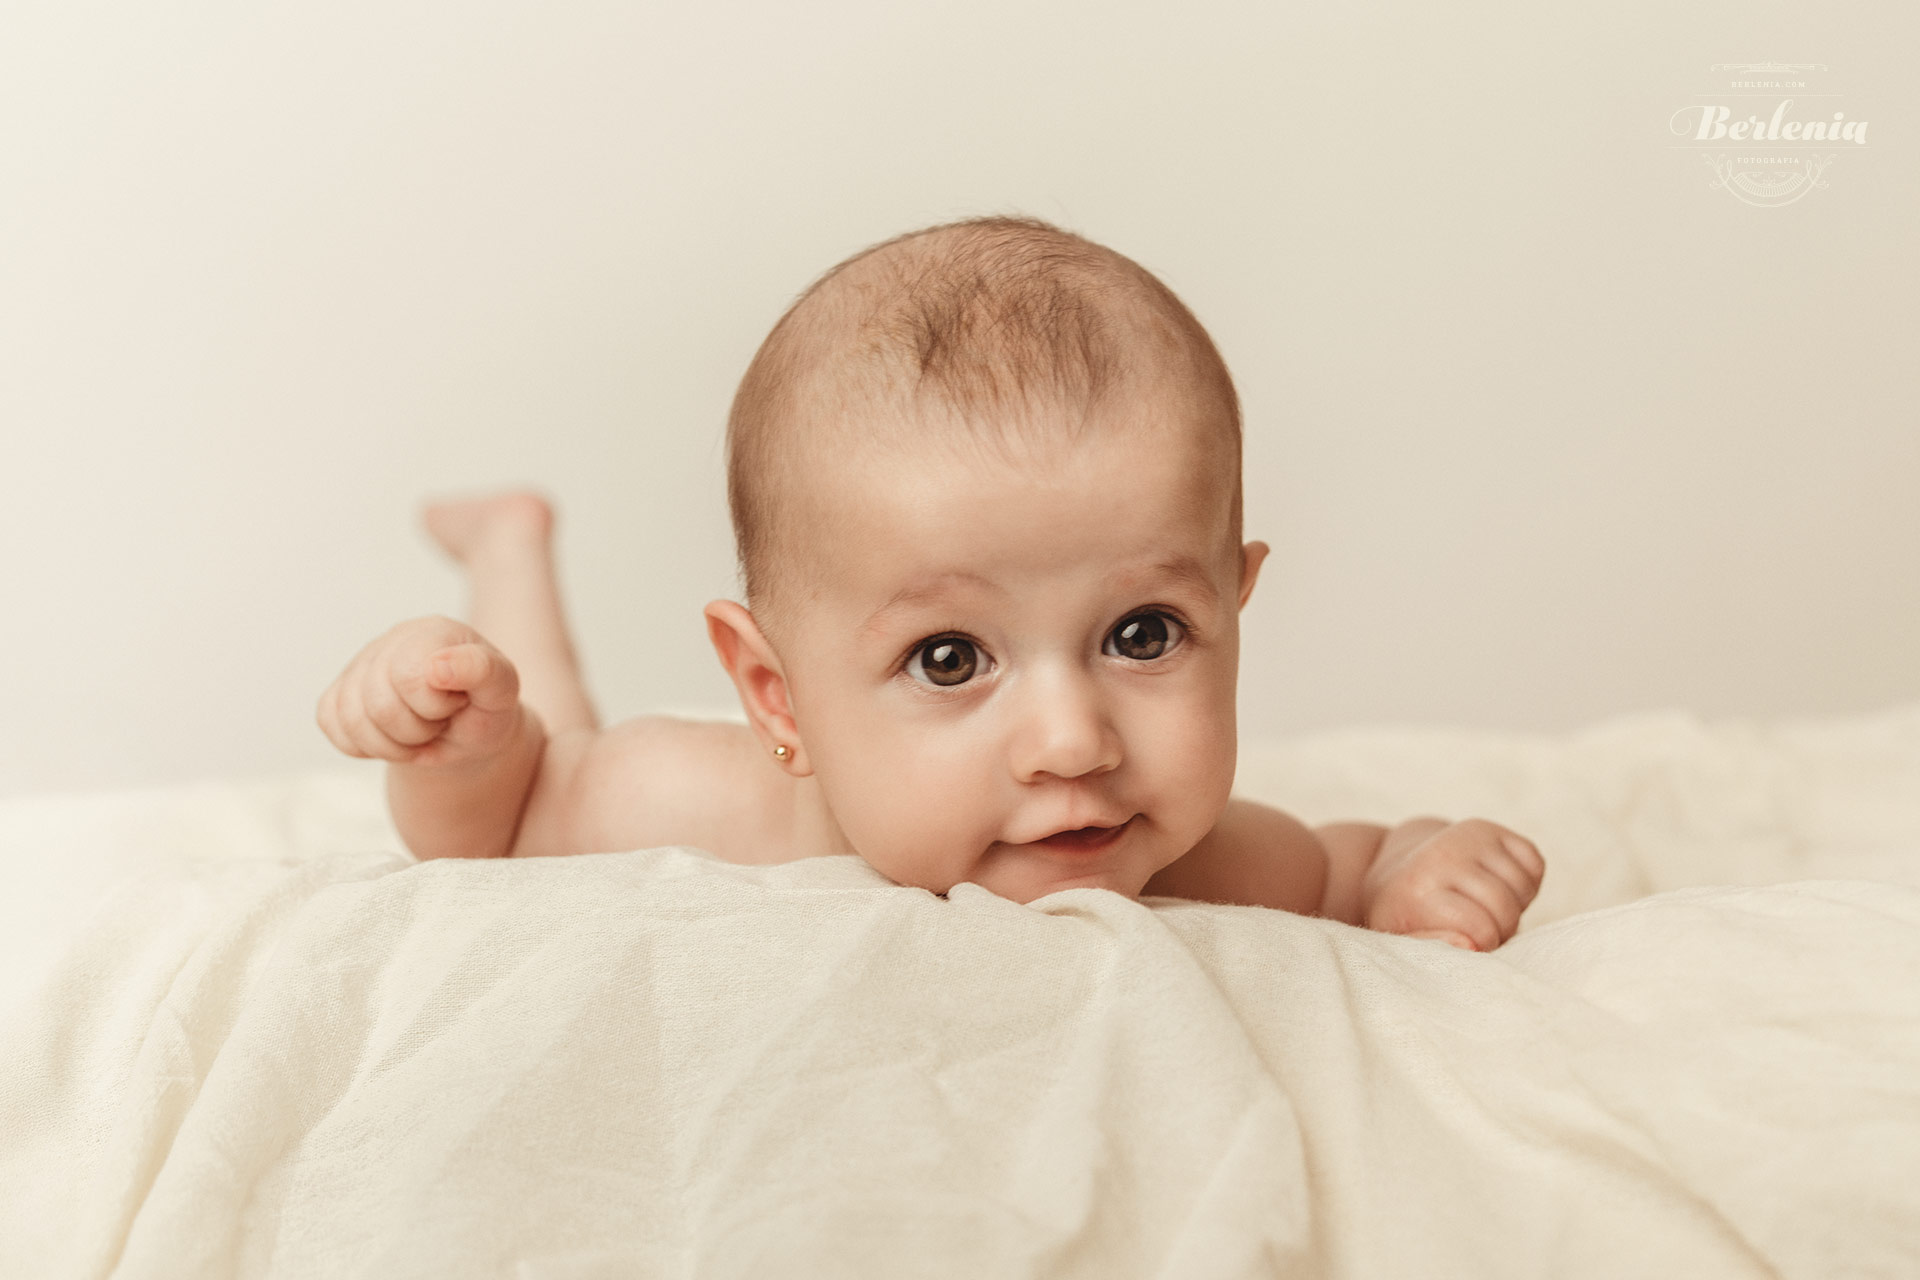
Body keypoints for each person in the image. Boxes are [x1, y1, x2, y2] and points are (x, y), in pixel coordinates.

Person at [317, 215, 1545, 950]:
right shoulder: (687, 803)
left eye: (1142, 631)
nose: (1073, 742)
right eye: (950, 657)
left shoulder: (1199, 856)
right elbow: (498, 832)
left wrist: (1421, 863)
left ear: (1236, 603)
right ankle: (506, 551)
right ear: (777, 695)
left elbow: (1350, 864)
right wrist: (462, 748)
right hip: (571, 741)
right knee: (551, 715)